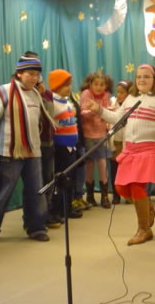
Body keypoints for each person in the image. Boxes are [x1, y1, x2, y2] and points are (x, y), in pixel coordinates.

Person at [84, 64, 155, 245]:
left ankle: (144, 229)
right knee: (120, 187)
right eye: (139, 76)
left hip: (150, 150)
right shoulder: (130, 98)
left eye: (146, 76)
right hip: (130, 150)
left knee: (136, 187)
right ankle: (148, 207)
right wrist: (98, 109)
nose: (142, 80)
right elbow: (117, 119)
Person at [0, 52, 51, 243]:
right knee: (3, 193)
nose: (34, 78)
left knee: (36, 191)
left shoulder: (36, 94)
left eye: (37, 74)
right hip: (9, 152)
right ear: (19, 73)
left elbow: (39, 122)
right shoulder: (3, 92)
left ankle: (36, 227)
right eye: (30, 74)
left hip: (33, 152)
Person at [48, 69, 82, 222]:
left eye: (70, 84)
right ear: (56, 86)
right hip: (60, 148)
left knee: (70, 179)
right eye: (66, 85)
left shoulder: (67, 102)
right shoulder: (53, 103)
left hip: (71, 147)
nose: (69, 88)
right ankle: (57, 210)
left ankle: (67, 208)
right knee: (61, 180)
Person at [80, 71, 113, 209]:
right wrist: (96, 111)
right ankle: (90, 195)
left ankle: (105, 196)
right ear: (90, 84)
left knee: (102, 164)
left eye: (102, 84)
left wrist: (107, 117)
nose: (99, 87)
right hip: (88, 134)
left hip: (101, 135)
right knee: (89, 165)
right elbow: (83, 113)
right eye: (96, 84)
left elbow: (107, 113)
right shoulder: (86, 94)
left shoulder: (106, 95)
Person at [35, 75, 59, 228]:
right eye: (37, 85)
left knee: (49, 178)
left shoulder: (48, 95)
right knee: (38, 181)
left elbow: (50, 115)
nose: (40, 87)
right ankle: (38, 215)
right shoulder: (28, 96)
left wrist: (42, 96)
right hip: (36, 145)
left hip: (48, 143)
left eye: (40, 83)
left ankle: (48, 211)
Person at [108, 80, 132, 205]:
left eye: (122, 92)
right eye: (117, 92)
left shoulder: (133, 105)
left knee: (128, 171)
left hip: (127, 143)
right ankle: (116, 195)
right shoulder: (112, 103)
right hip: (115, 143)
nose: (119, 95)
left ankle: (128, 195)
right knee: (114, 170)